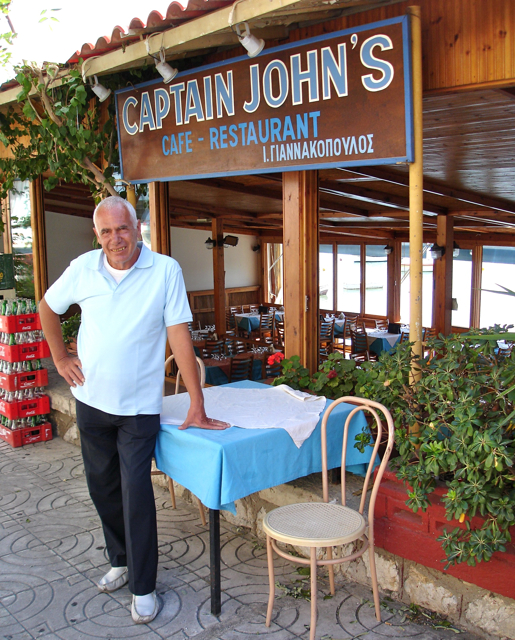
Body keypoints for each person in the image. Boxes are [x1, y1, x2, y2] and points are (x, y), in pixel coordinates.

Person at [39, 195, 229, 624]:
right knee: (101, 488)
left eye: (121, 229)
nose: (115, 239)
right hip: (90, 401)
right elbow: (47, 309)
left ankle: (144, 586)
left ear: (136, 227)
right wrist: (60, 358)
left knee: (136, 492)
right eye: (105, 232)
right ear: (97, 235)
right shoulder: (83, 268)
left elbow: (179, 336)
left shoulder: (164, 270)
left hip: (140, 408)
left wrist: (197, 401)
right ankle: (120, 560)